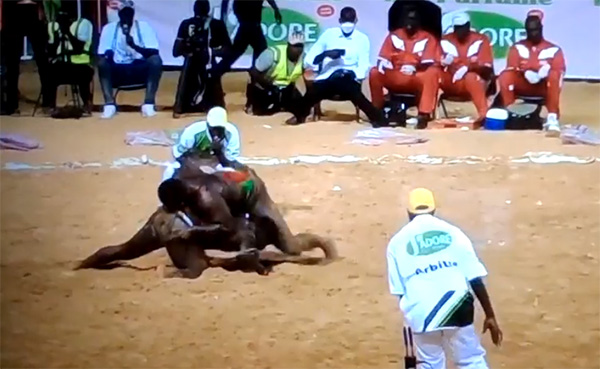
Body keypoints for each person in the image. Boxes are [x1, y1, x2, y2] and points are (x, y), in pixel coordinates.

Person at [386, 188, 503, 369]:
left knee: (430, 363)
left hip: (420, 311)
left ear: (409, 212)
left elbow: (400, 291)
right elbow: (475, 278)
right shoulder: (454, 233)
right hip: (457, 307)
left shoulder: (396, 242)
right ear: (433, 210)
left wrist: (415, 317)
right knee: (470, 360)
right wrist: (490, 315)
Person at [286, 7, 384, 126]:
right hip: (328, 77)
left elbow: (363, 64)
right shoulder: (329, 35)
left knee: (353, 91)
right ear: (339, 20)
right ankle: (299, 116)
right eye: (345, 20)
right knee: (313, 91)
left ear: (356, 21)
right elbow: (309, 60)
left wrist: (356, 76)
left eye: (350, 21)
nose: (347, 24)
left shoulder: (362, 39)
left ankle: (377, 118)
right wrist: (325, 54)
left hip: (349, 78)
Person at [369, 7, 440, 129]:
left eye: (413, 20)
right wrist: (385, 64)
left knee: (433, 73)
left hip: (415, 76)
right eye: (407, 19)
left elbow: (430, 62)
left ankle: (423, 114)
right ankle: (377, 111)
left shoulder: (428, 38)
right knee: (374, 72)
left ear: (419, 22)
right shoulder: (394, 36)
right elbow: (382, 58)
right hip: (395, 74)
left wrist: (415, 67)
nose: (409, 23)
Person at [497, 10, 565, 135]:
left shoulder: (553, 49)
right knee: (505, 76)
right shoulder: (517, 47)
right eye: (530, 31)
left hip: (543, 87)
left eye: (536, 30)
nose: (533, 33)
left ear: (541, 28)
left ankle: (552, 118)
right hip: (524, 86)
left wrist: (547, 72)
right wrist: (524, 71)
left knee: (555, 75)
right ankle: (510, 113)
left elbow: (560, 69)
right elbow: (511, 67)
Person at [97, 0, 163, 119]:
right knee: (102, 63)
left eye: (129, 13)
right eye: (124, 13)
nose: (126, 16)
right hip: (118, 69)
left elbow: (153, 52)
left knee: (156, 61)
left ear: (133, 13)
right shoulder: (109, 28)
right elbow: (103, 53)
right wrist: (109, 54)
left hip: (138, 68)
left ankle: (148, 104)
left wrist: (134, 46)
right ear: (119, 14)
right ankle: (109, 104)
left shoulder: (143, 26)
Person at [172, 0, 232, 116]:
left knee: (194, 66)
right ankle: (215, 105)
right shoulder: (217, 24)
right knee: (203, 67)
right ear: (208, 10)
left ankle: (180, 107)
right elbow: (228, 49)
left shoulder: (187, 24)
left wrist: (207, 51)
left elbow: (176, 51)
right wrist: (211, 52)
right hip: (202, 62)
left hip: (199, 62)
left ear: (194, 10)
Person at [440, 12, 494, 124]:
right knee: (433, 74)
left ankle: (484, 116)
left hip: (471, 82)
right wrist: (443, 62)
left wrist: (469, 68)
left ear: (468, 26)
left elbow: (487, 67)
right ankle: (427, 115)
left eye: (462, 27)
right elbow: (434, 61)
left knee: (471, 77)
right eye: (457, 28)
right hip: (451, 81)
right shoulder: (445, 40)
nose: (459, 31)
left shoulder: (480, 40)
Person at [162, 106, 242, 182]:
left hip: (217, 162)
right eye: (214, 129)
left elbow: (231, 162)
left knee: (233, 174)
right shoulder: (193, 132)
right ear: (208, 125)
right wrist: (196, 167)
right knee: (170, 172)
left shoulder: (231, 133)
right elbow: (179, 155)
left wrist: (218, 151)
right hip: (192, 161)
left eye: (220, 129)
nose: (216, 133)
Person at [1, 0, 50, 115]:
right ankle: (11, 105)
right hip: (15, 10)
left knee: (42, 60)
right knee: (12, 63)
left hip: (32, 9)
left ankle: (48, 102)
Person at [245, 30, 305, 116]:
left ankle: (280, 105)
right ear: (288, 45)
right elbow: (253, 72)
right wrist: (270, 86)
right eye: (295, 46)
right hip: (266, 87)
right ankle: (251, 104)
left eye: (300, 46)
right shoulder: (272, 54)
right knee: (260, 112)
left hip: (286, 89)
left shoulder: (304, 59)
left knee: (301, 109)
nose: (298, 49)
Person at [46, 9, 94, 113]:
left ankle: (86, 102)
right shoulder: (53, 27)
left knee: (82, 73)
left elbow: (78, 48)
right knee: (49, 71)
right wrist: (58, 35)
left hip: (81, 64)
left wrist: (67, 32)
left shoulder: (83, 24)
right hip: (62, 64)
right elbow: (51, 51)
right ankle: (50, 105)